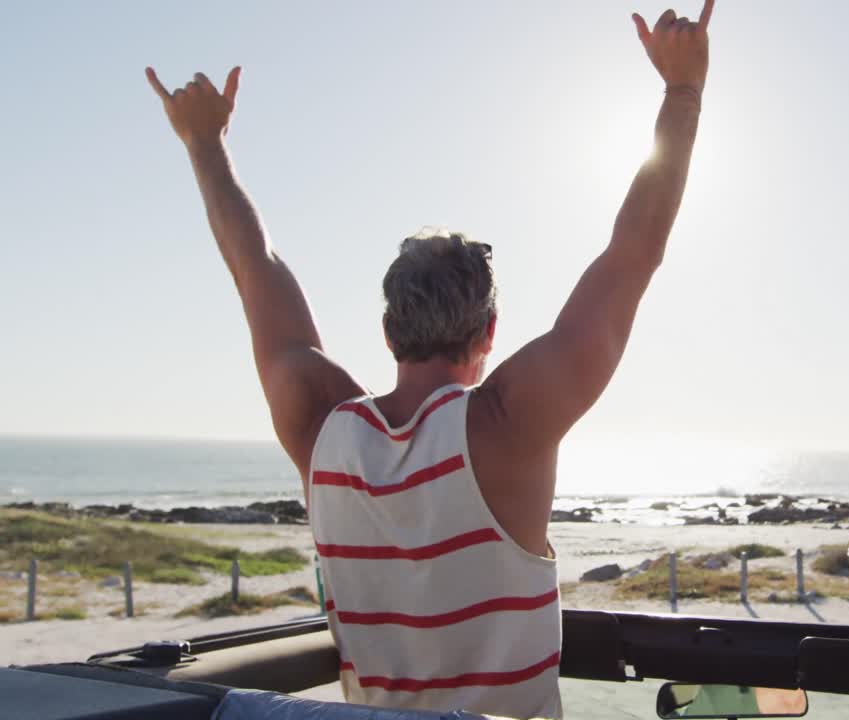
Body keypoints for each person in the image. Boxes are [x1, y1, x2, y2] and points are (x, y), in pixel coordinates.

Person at [144, 2, 714, 718]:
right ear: (489, 333)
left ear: (388, 331)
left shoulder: (320, 425)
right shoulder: (508, 423)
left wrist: (204, 143)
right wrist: (683, 89)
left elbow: (254, 268)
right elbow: (635, 252)